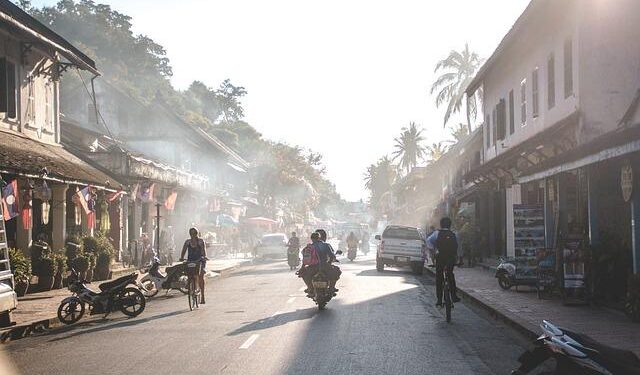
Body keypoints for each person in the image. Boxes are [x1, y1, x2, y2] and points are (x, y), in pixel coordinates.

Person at [426, 217, 461, 307]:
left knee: (439, 277)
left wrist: (433, 251)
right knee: (450, 274)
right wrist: (459, 258)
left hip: (440, 258)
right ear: (450, 225)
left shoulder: (436, 233)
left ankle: (439, 299)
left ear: (441, 225)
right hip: (450, 259)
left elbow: (428, 241)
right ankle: (454, 296)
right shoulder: (454, 234)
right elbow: (459, 247)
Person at [179, 227, 208, 304]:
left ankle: (202, 296)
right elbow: (183, 250)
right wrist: (181, 257)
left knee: (201, 276)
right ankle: (191, 286)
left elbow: (203, 251)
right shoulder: (187, 242)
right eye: (191, 233)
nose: (193, 235)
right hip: (190, 260)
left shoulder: (201, 241)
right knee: (189, 274)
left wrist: (204, 257)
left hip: (199, 260)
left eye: (194, 233)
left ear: (197, 233)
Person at [315, 229, 341, 293]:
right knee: (337, 271)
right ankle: (332, 287)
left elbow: (305, 256)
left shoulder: (310, 246)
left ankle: (309, 288)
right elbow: (332, 256)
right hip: (324, 265)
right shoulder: (326, 245)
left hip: (313, 266)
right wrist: (329, 263)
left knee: (304, 274)